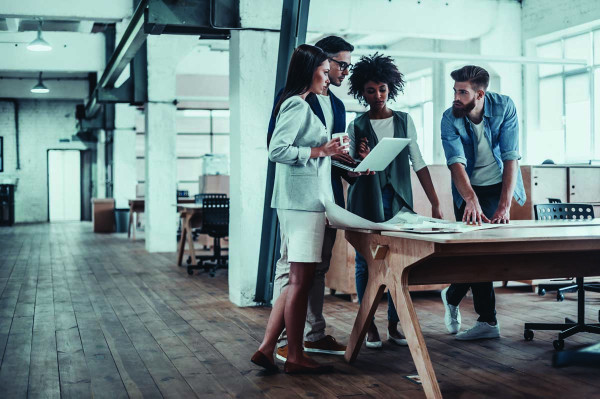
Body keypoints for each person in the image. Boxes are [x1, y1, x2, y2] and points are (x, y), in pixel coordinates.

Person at [252, 44, 346, 374]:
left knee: (296, 280)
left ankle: (266, 349)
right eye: (324, 72)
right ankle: (294, 355)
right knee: (300, 281)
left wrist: (331, 152)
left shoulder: (302, 103)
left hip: (302, 201)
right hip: (302, 203)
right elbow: (277, 149)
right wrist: (319, 150)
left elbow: (312, 151)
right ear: (310, 72)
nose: (328, 79)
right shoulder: (296, 103)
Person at [346, 53, 444, 348]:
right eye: (370, 90)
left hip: (398, 200)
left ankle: (394, 321)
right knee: (366, 264)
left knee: (399, 263)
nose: (377, 96)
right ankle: (369, 324)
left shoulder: (404, 121)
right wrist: (360, 161)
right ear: (361, 92)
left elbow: (419, 162)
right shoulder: (356, 126)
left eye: (382, 89)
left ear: (391, 88)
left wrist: (435, 202)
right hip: (365, 201)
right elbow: (350, 174)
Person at [440, 65, 526, 340]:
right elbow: (456, 163)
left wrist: (505, 206)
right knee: (474, 253)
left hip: (498, 186)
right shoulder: (449, 118)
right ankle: (487, 320)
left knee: (485, 254)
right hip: (467, 189)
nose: (456, 96)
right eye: (455, 91)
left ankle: (456, 298)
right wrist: (471, 200)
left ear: (480, 94)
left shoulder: (504, 107)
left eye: (462, 92)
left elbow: (511, 157)